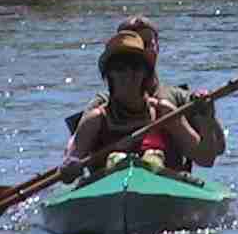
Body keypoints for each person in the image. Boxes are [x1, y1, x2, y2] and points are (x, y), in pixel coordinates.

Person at [63, 16, 226, 169]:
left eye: (135, 67)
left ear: (145, 72)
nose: (128, 75)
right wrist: (70, 164)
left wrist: (207, 118)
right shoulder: (97, 114)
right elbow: (74, 151)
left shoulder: (167, 109)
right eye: (120, 68)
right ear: (109, 74)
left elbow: (208, 158)